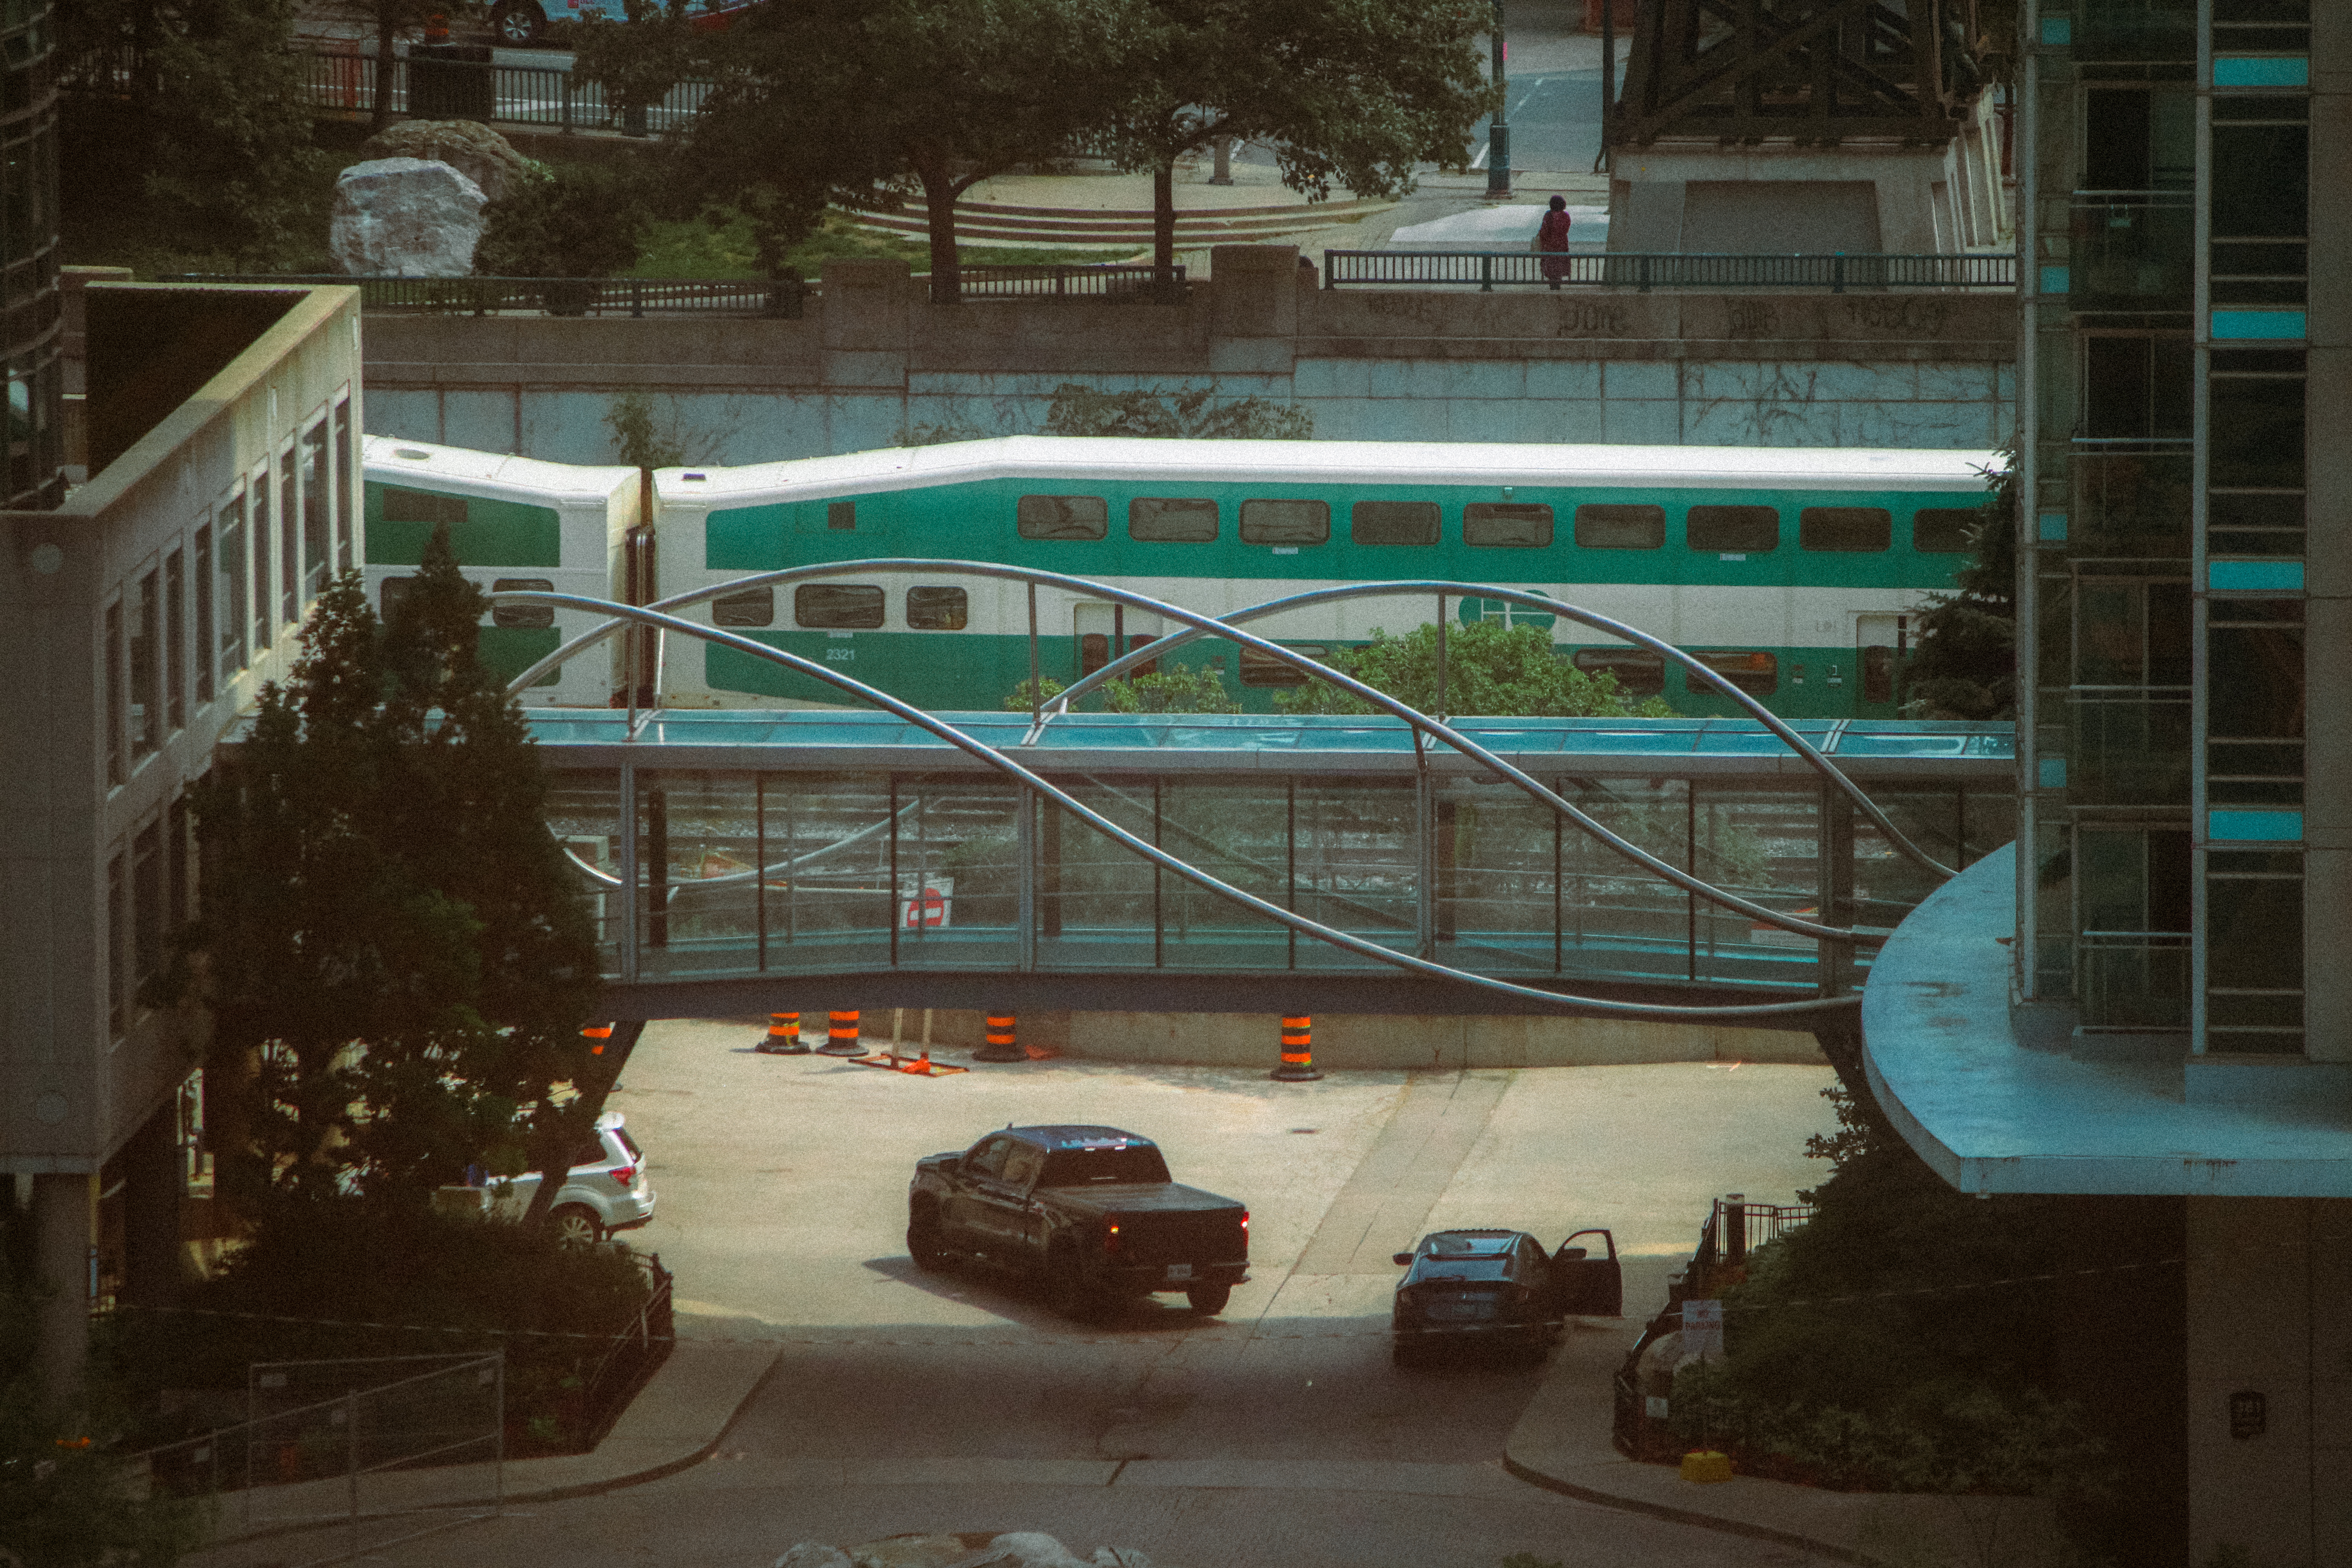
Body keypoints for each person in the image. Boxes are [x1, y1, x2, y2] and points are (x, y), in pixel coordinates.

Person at [1535, 195, 1573, 289]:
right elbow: (1566, 229)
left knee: (1551, 264)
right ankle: (1558, 282)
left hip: (1549, 245)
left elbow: (1544, 231)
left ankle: (1552, 283)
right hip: (1562, 244)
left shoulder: (1548, 215)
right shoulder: (1566, 216)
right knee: (1559, 264)